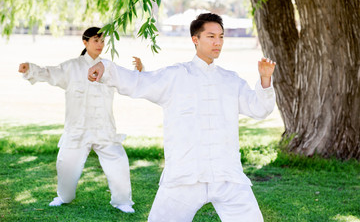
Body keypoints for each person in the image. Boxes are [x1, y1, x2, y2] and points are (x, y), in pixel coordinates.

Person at [88, 13, 276, 221]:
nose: (218, 42)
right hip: (185, 175)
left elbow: (259, 109)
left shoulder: (230, 80)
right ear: (195, 39)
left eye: (221, 37)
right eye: (211, 36)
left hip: (226, 175)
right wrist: (105, 68)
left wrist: (265, 79)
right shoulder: (176, 76)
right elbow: (138, 82)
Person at [18, 27, 143, 213]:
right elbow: (50, 73)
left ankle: (122, 201)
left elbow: (129, 82)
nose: (100, 44)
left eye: (102, 40)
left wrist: (138, 71)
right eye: (95, 40)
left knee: (118, 163)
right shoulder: (71, 67)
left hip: (104, 129)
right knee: (66, 165)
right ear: (85, 42)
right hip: (77, 129)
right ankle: (63, 196)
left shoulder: (108, 68)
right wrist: (30, 69)